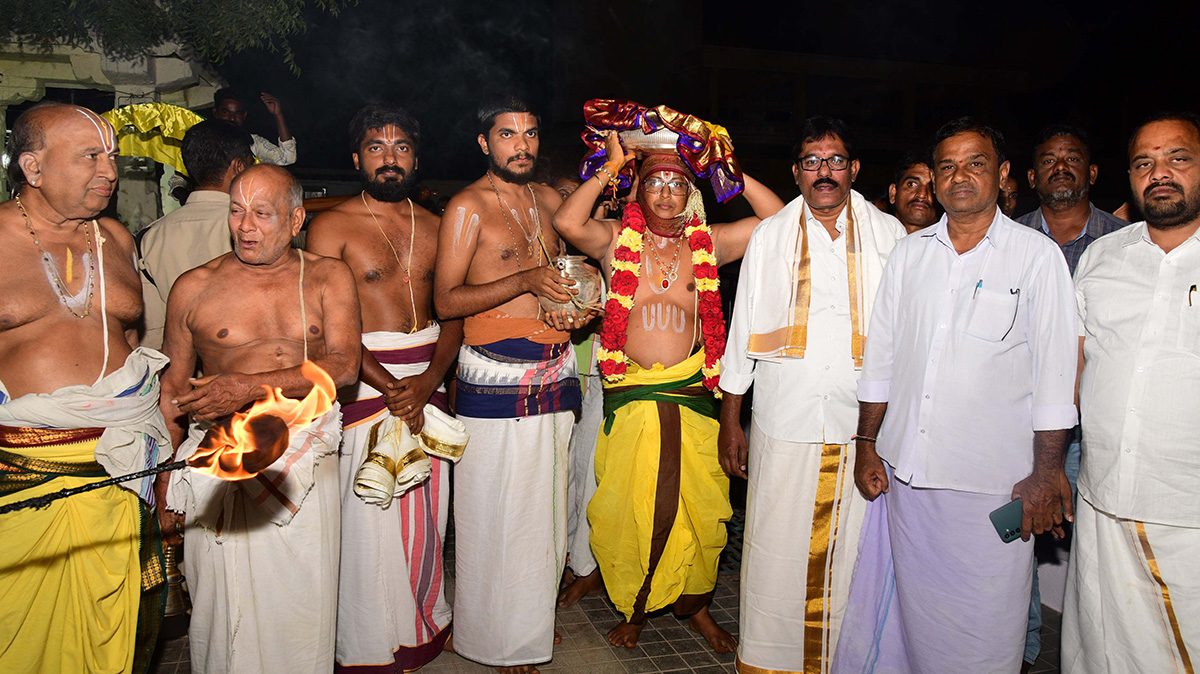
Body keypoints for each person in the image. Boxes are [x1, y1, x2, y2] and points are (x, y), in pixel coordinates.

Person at [832, 118, 1078, 673]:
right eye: (947, 165)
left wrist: (1045, 476)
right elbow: (881, 361)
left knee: (989, 619)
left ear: (1003, 173)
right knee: (909, 615)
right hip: (908, 475)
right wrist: (867, 443)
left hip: (997, 484)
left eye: (975, 163)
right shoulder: (910, 254)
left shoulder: (1036, 258)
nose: (959, 176)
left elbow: (1057, 379)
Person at [553, 123, 784, 652]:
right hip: (632, 397)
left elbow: (778, 219)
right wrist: (613, 165)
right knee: (631, 508)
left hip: (692, 396)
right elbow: (567, 220)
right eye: (655, 183)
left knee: (702, 510)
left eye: (677, 184)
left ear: (691, 193)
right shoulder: (614, 241)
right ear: (639, 190)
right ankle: (636, 605)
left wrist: (725, 166)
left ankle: (696, 607)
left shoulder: (712, 243)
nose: (665, 193)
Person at [718, 116, 905, 674]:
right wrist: (733, 420)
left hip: (864, 425)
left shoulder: (890, 235)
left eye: (836, 161)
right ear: (796, 172)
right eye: (813, 162)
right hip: (783, 418)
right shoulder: (769, 234)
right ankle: (770, 661)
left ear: (854, 170)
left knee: (854, 554)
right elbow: (741, 328)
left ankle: (847, 660)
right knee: (776, 548)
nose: (825, 172)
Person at [160, 164, 362, 674]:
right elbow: (171, 392)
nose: (245, 226)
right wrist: (164, 480)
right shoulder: (194, 286)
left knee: (302, 599)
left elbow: (344, 366)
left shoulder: (325, 275)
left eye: (262, 214)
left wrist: (250, 387)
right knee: (219, 603)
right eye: (236, 211)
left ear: (296, 220)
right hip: (219, 458)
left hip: (302, 458)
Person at [0, 102, 172, 674]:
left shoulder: (118, 239)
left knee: (116, 635)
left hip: (124, 465)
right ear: (33, 166)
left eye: (113, 157)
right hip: (27, 476)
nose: (110, 171)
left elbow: (134, 340)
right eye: (90, 156)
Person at [305, 102, 460, 672]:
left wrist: (430, 380)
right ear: (356, 158)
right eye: (376, 148)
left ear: (416, 158)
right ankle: (368, 641)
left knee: (427, 507)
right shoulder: (332, 226)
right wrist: (396, 387)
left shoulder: (441, 226)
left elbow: (454, 315)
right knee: (368, 513)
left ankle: (421, 624)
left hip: (429, 380)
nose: (389, 159)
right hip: (368, 384)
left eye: (400, 148)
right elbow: (319, 326)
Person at [433, 96, 581, 674]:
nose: (521, 145)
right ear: (483, 143)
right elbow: (445, 300)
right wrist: (524, 278)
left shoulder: (548, 201)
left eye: (530, 133)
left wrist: (575, 309)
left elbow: (565, 278)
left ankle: (527, 622)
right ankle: (492, 635)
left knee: (544, 506)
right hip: (493, 373)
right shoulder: (468, 207)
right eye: (507, 135)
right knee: (493, 510)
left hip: (555, 368)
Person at [1062, 112, 1200, 674]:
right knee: (1105, 649)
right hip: (1103, 500)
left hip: (1188, 513)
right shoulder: (1101, 258)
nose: (1159, 173)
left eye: (1178, 158)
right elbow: (1070, 372)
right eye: (1145, 163)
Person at [1014, 123, 1127, 670]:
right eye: (1049, 159)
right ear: (1032, 176)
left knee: (1102, 548)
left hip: (1099, 429)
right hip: (1020, 429)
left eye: (1073, 158)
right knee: (1012, 537)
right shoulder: (1007, 239)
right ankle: (1021, 651)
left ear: (1093, 172)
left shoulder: (1125, 242)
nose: (1061, 167)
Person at [139, 119, 253, 349]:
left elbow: (152, 330)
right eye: (252, 163)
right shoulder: (256, 229)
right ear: (238, 166)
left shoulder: (150, 236)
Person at [213, 87, 297, 166]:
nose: (232, 118)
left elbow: (287, 158)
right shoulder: (205, 138)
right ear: (216, 113)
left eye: (237, 113)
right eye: (226, 112)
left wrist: (278, 115)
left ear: (244, 115)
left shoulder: (253, 143)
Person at [888, 151, 939, 234]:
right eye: (912, 184)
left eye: (931, 187)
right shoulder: (868, 238)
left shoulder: (955, 245)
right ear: (893, 193)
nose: (922, 194)